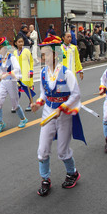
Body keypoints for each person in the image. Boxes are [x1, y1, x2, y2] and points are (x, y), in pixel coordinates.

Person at [31, 35, 86, 197]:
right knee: (42, 150)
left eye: (45, 54)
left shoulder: (66, 73)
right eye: (42, 54)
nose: (42, 57)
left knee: (62, 150)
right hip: (48, 112)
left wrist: (62, 107)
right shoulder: (43, 73)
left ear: (55, 54)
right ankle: (45, 179)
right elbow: (43, 93)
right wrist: (38, 103)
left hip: (63, 115)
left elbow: (76, 95)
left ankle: (72, 173)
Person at [0, 37, 28, 133]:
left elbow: (17, 69)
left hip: (12, 81)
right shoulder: (0, 58)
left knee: (15, 104)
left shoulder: (11, 56)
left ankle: (23, 119)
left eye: (1, 47)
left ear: (6, 47)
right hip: (3, 83)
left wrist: (7, 74)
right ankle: (0, 123)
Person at [13, 35, 36, 111]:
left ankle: (31, 103)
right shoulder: (14, 53)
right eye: (19, 42)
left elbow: (31, 61)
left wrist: (31, 70)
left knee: (28, 89)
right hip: (17, 74)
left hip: (26, 73)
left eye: (22, 42)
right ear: (16, 43)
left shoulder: (27, 51)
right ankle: (15, 105)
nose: (21, 43)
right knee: (16, 91)